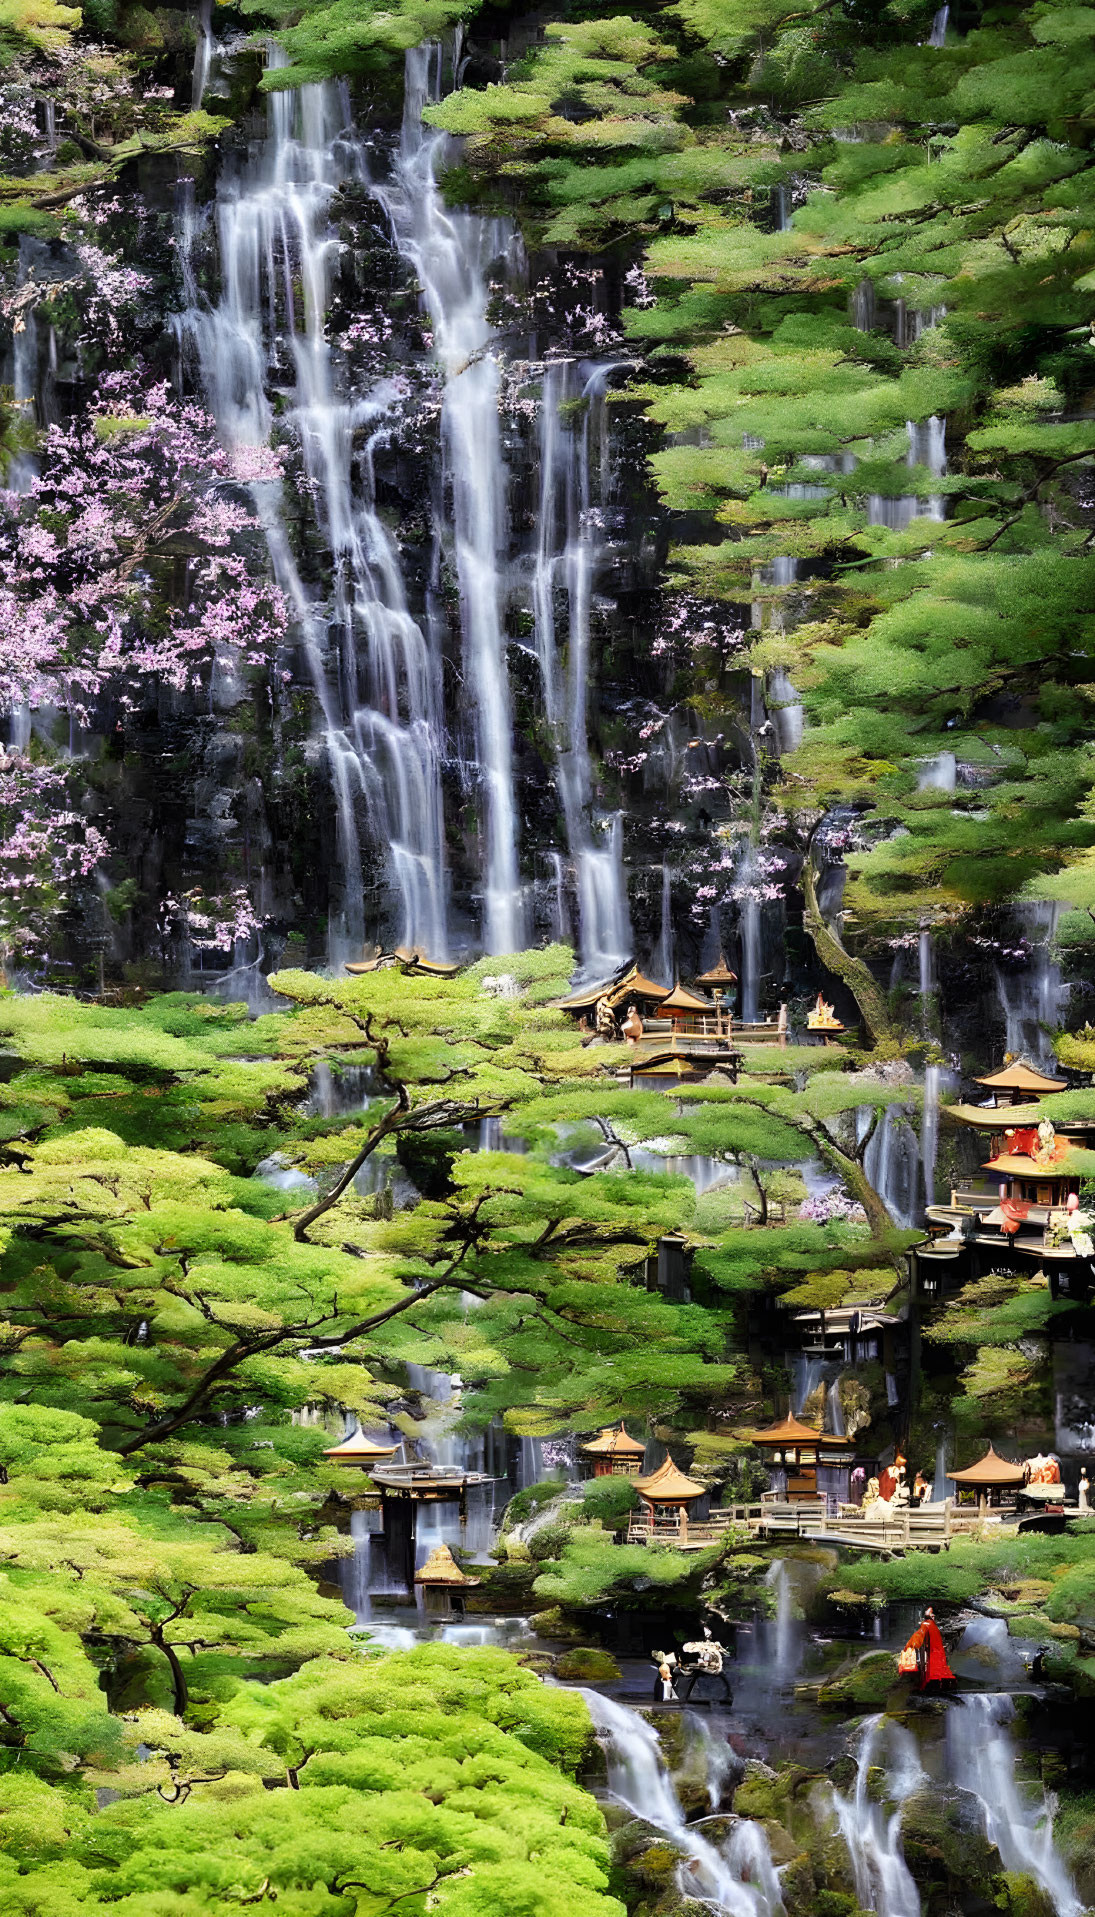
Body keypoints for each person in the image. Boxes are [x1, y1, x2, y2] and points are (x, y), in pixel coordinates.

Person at [901, 1606, 956, 1694]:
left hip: (936, 1652)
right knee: (936, 1671)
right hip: (935, 1652)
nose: (933, 1616)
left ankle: (934, 1686)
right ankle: (935, 1686)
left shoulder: (929, 1624)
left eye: (933, 1614)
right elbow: (920, 1635)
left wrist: (912, 1644)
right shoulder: (928, 1624)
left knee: (935, 1671)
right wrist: (913, 1644)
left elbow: (920, 1635)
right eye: (931, 1614)